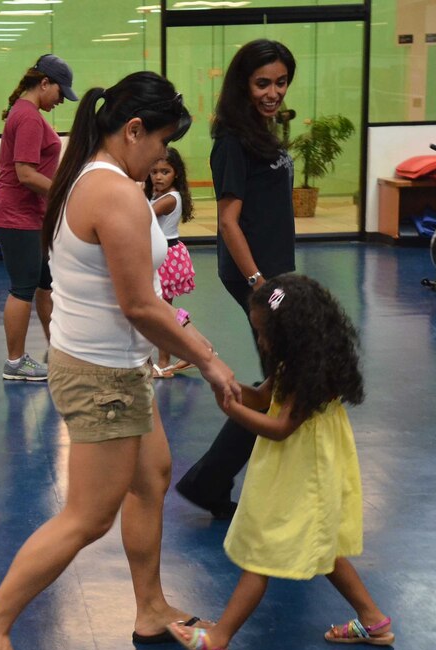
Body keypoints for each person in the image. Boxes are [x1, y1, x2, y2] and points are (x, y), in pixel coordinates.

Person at [0, 71, 242, 650]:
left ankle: (151, 608)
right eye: (161, 143)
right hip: (101, 375)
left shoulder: (92, 175)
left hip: (118, 366)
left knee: (153, 475)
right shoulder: (115, 193)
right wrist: (211, 361)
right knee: (87, 517)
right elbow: (141, 303)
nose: (165, 157)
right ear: (132, 130)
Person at [168, 274, 394, 650]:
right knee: (326, 549)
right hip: (300, 466)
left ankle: (217, 640)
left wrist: (233, 411)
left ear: (289, 332)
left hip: (305, 470)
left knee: (262, 551)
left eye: (263, 334)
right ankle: (374, 622)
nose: (261, 342)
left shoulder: (311, 370)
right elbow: (264, 397)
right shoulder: (298, 360)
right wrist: (228, 385)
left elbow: (280, 428)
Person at [175, 39, 298, 519]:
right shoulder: (232, 139)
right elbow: (228, 222)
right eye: (262, 82)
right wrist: (259, 283)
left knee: (281, 380)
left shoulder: (262, 129)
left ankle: (210, 480)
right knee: (284, 381)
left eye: (281, 82)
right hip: (256, 276)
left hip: (274, 273)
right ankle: (210, 480)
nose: (273, 92)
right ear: (242, 84)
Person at [0, 54, 78, 382]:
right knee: (23, 287)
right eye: (59, 93)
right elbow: (25, 174)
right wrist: (66, 193)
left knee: (46, 283)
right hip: (16, 215)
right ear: (44, 83)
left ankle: (58, 348)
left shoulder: (27, 113)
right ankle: (15, 362)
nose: (60, 101)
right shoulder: (28, 117)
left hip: (30, 214)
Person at [144, 146, 196, 378]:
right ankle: (185, 349)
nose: (158, 177)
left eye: (165, 172)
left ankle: (170, 357)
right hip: (164, 254)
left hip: (166, 257)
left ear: (176, 173)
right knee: (162, 310)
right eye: (154, 172)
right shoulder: (158, 195)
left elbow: (142, 215)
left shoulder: (169, 198)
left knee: (162, 311)